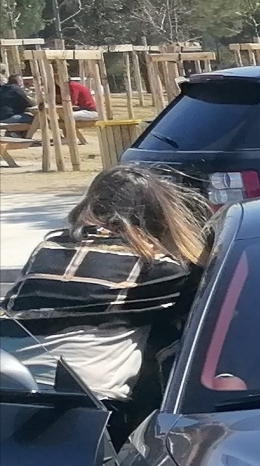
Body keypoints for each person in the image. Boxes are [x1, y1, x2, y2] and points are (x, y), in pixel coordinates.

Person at [3, 165, 210, 421]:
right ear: (160, 215)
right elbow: (208, 309)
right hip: (87, 400)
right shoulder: (160, 268)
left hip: (12, 386)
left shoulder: (49, 246)